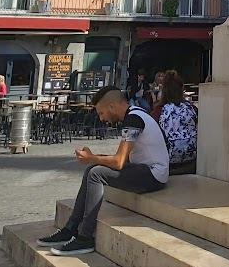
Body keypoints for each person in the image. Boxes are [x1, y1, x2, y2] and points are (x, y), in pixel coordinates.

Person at [37, 86, 168, 256]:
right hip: (144, 170)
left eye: (101, 113)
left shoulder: (134, 119)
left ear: (112, 107)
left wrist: (92, 158)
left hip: (153, 175)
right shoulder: (135, 114)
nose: (102, 118)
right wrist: (94, 158)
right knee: (93, 168)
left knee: (96, 172)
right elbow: (122, 158)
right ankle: (70, 229)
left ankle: (85, 238)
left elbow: (119, 162)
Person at [151, 70, 197, 173]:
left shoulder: (159, 111)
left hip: (168, 163)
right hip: (191, 161)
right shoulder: (192, 108)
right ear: (182, 90)